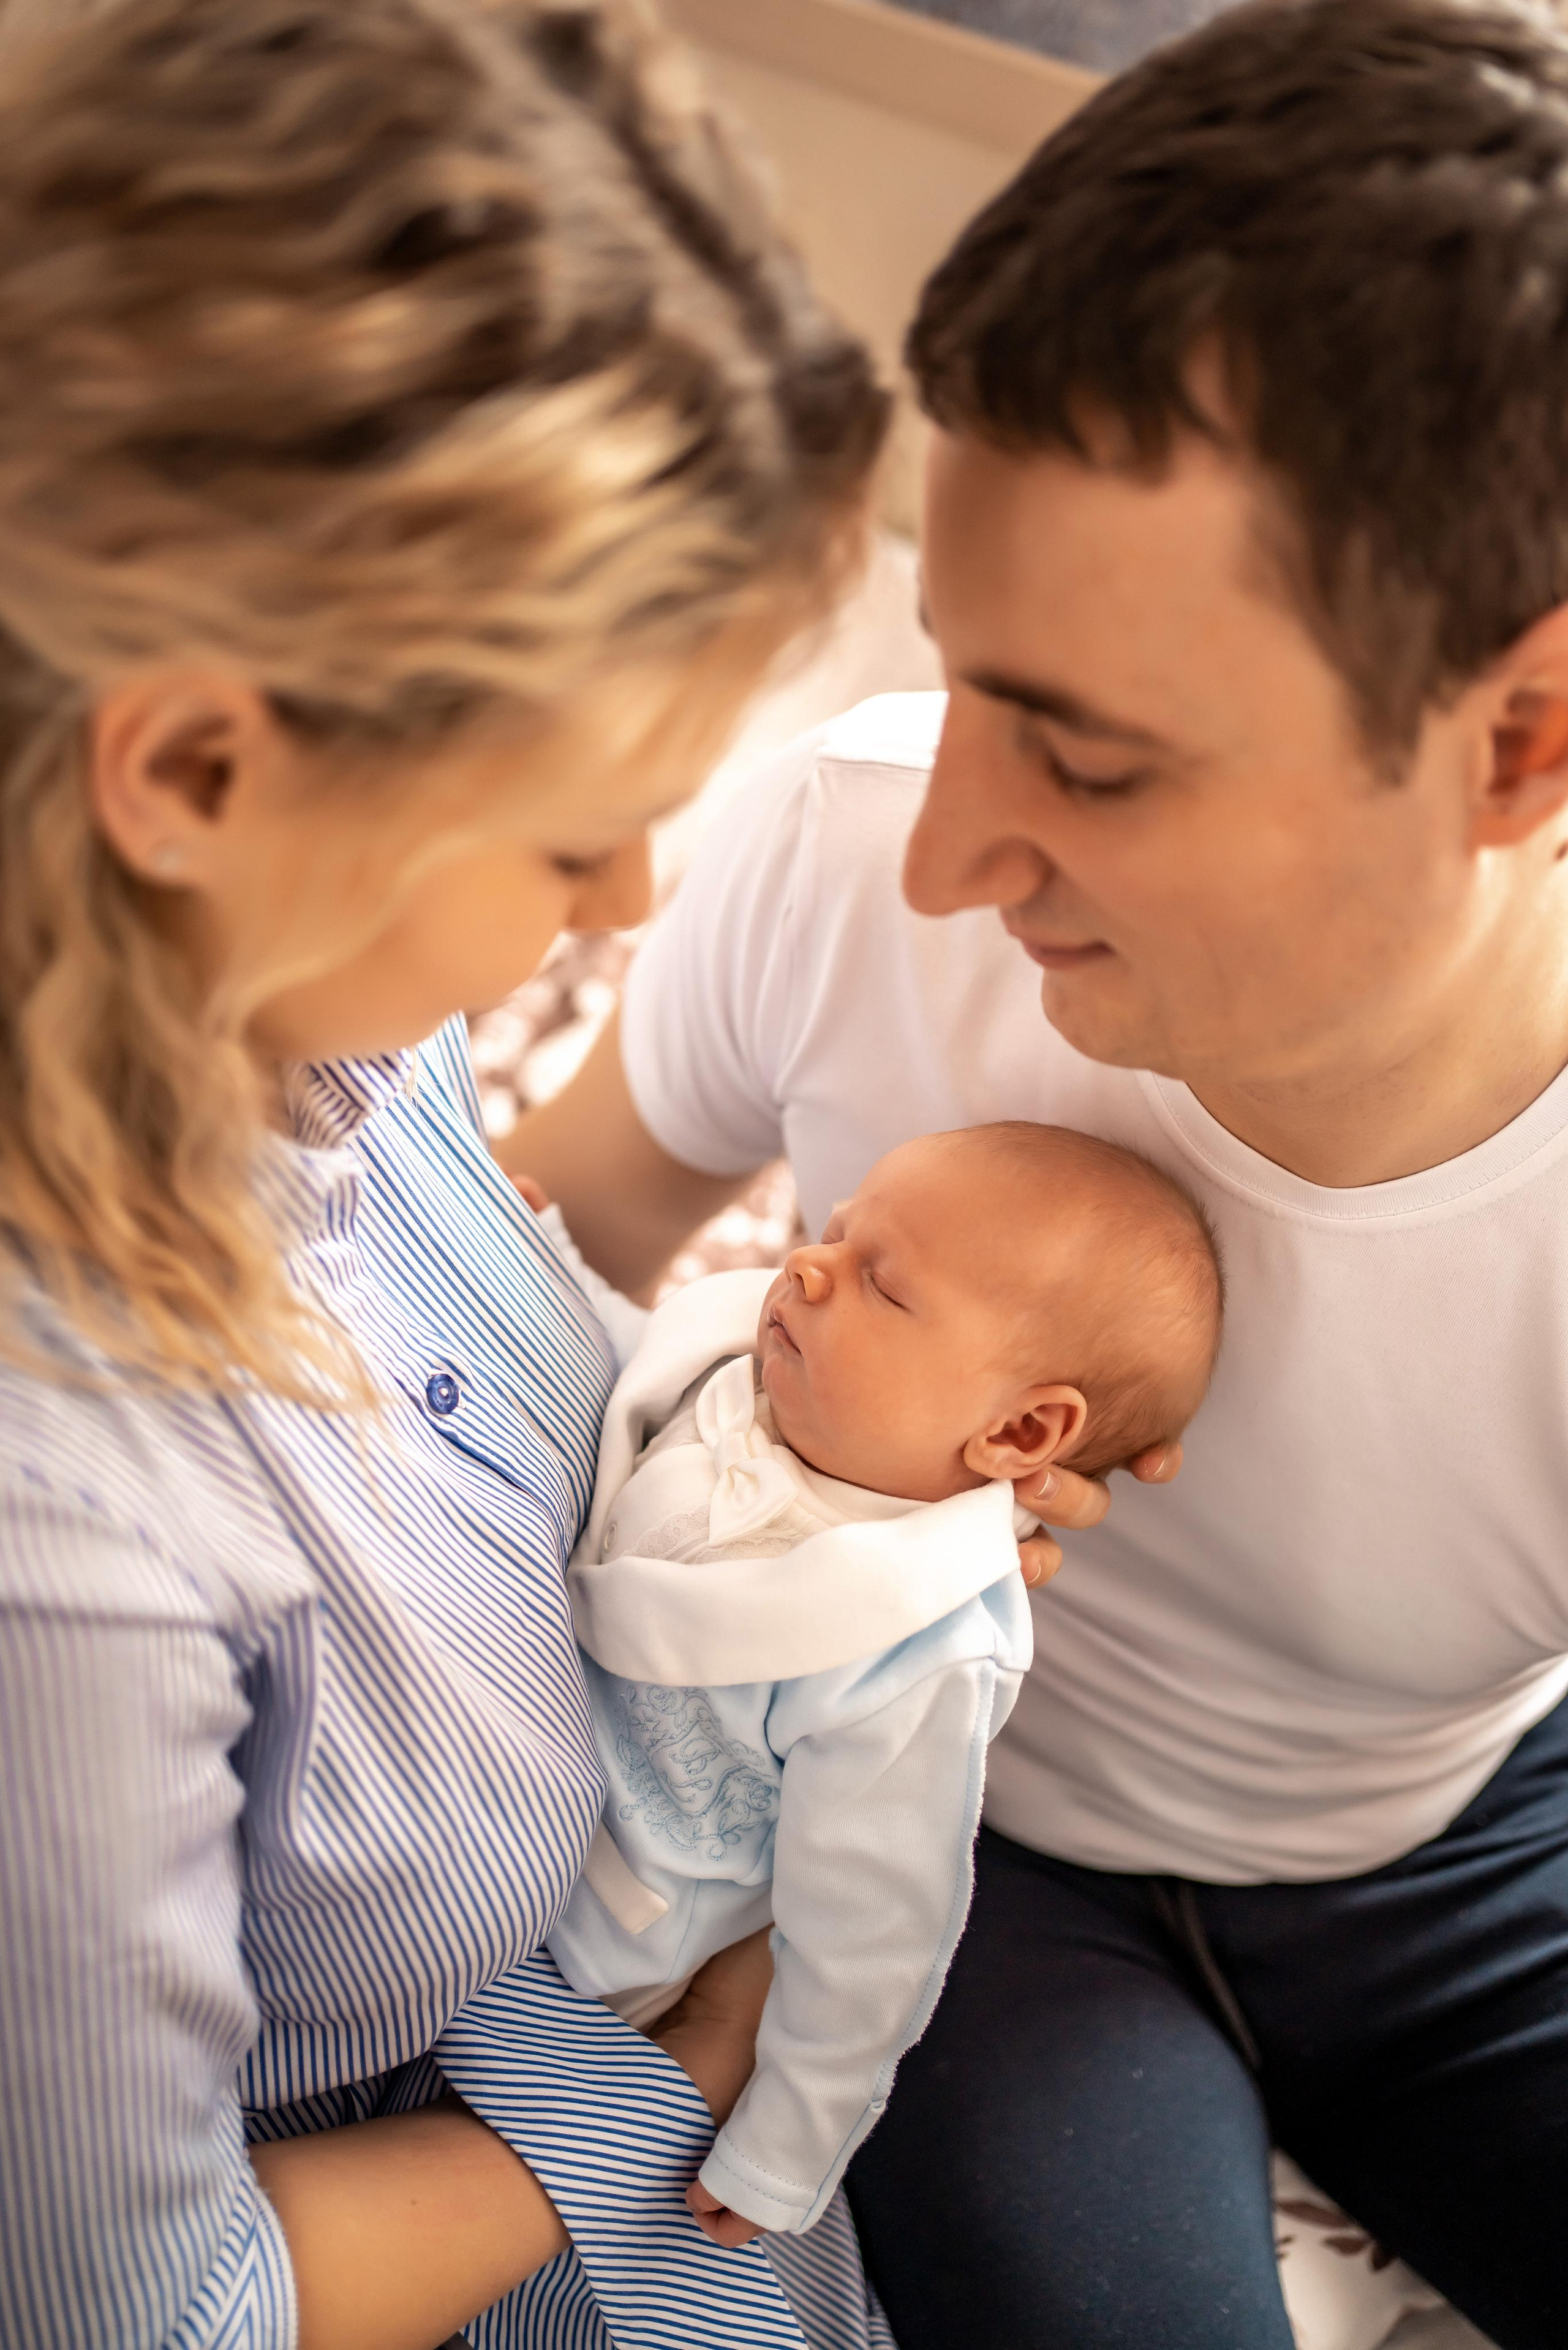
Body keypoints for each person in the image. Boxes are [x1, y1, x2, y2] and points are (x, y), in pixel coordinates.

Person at [503, 2, 1568, 2344]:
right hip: (970, 1862)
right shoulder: (841, 841)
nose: (956, 842)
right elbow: (513, 1270)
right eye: (966, 672)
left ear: (1520, 744)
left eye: (1086, 761)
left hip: (1468, 1853)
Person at [0, 3, 902, 2346]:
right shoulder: (59, 1542)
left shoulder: (278, 993)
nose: (621, 899)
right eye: (572, 824)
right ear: (193, 768)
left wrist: (810, 1447)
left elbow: (480, 1368)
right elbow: (148, 2311)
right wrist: (633, 2086)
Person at [541, 1124, 1221, 2245]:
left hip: (598, 1938)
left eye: (883, 1285)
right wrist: (537, 1256)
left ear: (1021, 1429)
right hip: (492, 1750)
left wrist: (788, 2139)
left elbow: (872, 1931)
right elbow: (619, 1369)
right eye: (835, 1230)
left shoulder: (911, 1650)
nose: (808, 1265)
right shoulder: (760, 1384)